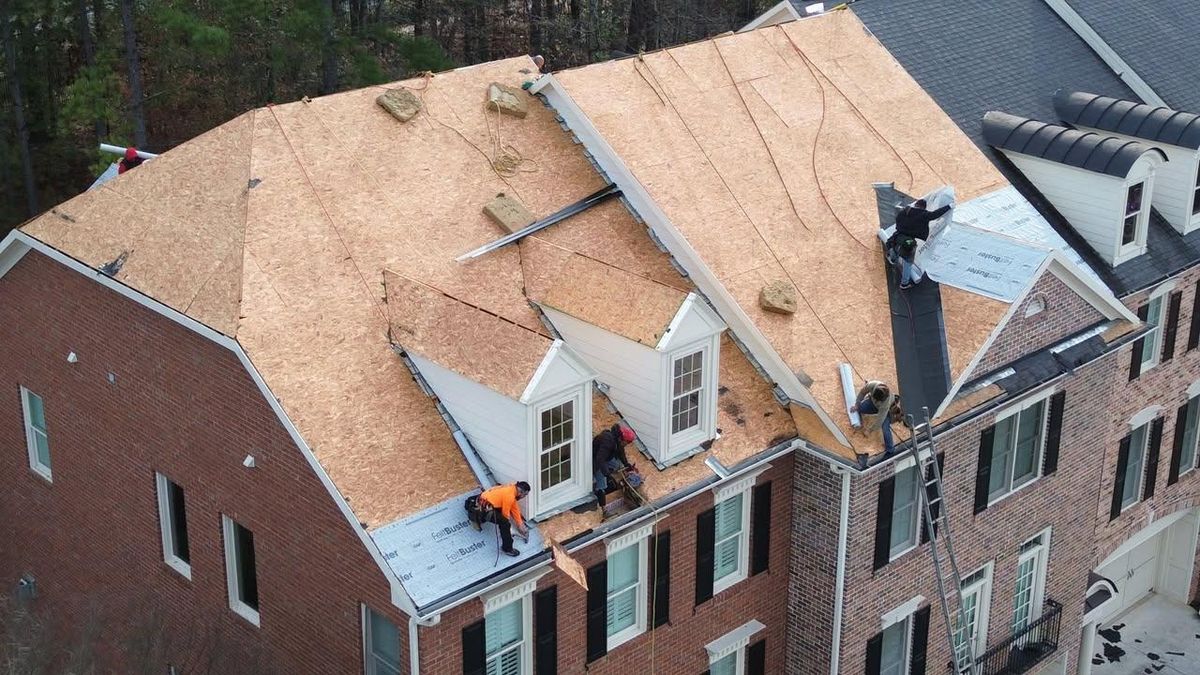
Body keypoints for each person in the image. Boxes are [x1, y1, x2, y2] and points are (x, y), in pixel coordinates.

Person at [887, 198, 951, 290]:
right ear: (924, 207)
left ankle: (893, 259)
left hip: (898, 236)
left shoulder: (906, 210)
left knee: (894, 247)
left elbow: (898, 216)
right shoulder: (924, 215)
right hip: (908, 242)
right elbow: (935, 214)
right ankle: (904, 284)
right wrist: (948, 206)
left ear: (916, 204)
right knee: (908, 262)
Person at [477, 481, 530, 556]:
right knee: (505, 524)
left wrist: (520, 524)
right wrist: (509, 530)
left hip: (483, 500)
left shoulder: (511, 488)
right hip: (484, 509)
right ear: (521, 492)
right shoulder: (509, 496)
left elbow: (514, 508)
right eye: (525, 495)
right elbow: (505, 515)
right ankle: (507, 549)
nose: (524, 497)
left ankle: (481, 518)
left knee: (504, 519)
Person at [592, 424, 635, 509]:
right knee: (602, 485)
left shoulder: (617, 440)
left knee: (618, 465)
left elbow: (621, 452)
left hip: (607, 456)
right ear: (621, 438)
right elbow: (600, 459)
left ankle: (612, 476)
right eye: (627, 442)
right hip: (596, 460)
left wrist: (626, 464)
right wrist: (607, 474)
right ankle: (603, 508)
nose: (627, 444)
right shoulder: (607, 441)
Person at [852, 381, 898, 456]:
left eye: (879, 400)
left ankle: (890, 450)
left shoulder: (885, 403)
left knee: (885, 428)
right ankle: (866, 405)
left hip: (887, 411)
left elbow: (880, 420)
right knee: (861, 408)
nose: (878, 401)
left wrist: (869, 430)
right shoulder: (872, 385)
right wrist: (857, 404)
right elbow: (862, 393)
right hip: (873, 404)